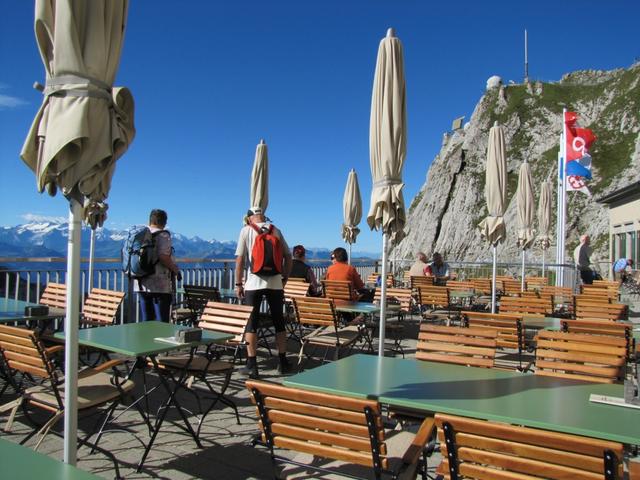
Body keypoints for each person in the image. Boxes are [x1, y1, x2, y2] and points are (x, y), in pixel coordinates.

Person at [235, 208, 293, 378]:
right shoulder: (276, 230)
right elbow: (288, 257)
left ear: (249, 217)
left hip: (253, 283)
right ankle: (282, 362)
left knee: (251, 324)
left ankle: (252, 364)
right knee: (278, 321)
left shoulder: (246, 230)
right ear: (264, 216)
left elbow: (240, 259)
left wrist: (238, 283)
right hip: (275, 283)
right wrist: (284, 279)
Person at [135, 209, 181, 321]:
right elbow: (163, 257)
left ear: (150, 220)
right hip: (159, 285)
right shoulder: (163, 235)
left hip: (141, 282)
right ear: (164, 222)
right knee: (162, 321)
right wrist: (175, 269)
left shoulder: (140, 234)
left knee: (147, 320)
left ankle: (145, 338)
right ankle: (160, 338)